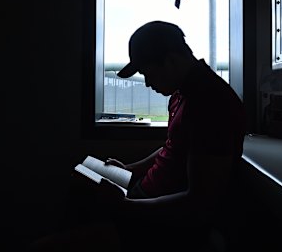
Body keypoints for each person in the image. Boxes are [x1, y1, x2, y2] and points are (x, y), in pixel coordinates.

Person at [29, 20, 246, 252]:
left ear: (171, 60)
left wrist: (125, 206)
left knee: (44, 247)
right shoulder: (183, 93)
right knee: (81, 180)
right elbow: (172, 148)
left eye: (148, 73)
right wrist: (129, 168)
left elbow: (199, 204)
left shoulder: (211, 103)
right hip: (146, 194)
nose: (147, 83)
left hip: (164, 222)